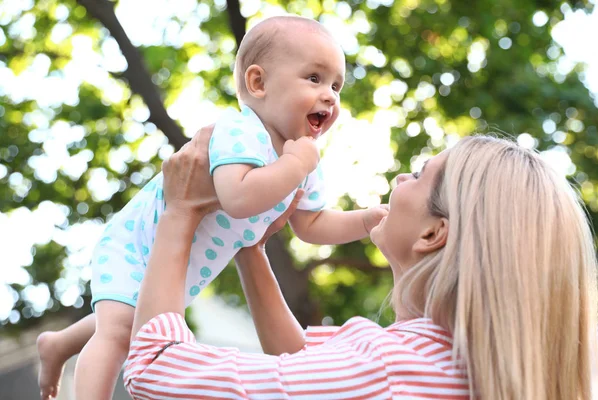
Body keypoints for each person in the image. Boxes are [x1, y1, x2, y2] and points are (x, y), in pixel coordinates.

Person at [36, 16, 388, 400]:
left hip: (179, 265)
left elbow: (312, 225)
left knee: (129, 315)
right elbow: (238, 199)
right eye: (315, 79)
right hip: (137, 244)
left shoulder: (300, 154)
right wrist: (295, 165)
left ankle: (57, 345)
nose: (330, 95)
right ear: (258, 83)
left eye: (336, 86)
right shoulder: (241, 130)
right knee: (120, 331)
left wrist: (366, 221)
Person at [124, 127, 598, 399]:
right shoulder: (451, 366)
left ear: (434, 233)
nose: (398, 178)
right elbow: (299, 360)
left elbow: (154, 369)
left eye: (417, 174)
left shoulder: (388, 370)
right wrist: (250, 244)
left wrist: (180, 212)